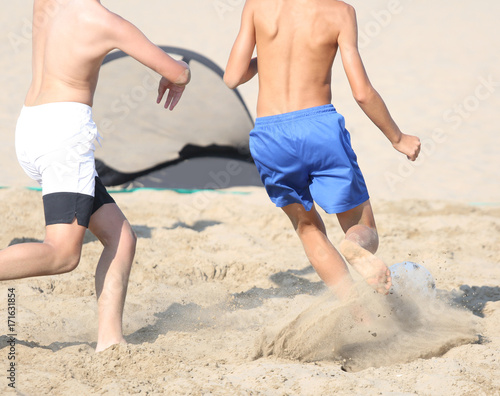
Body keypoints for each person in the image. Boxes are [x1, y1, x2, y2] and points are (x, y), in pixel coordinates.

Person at [0, 0, 190, 352]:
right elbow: (177, 72)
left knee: (122, 238)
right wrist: (181, 72)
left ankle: (111, 341)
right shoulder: (103, 21)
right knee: (62, 254)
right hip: (64, 136)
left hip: (31, 125)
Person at [224, 0, 420, 299]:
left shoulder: (256, 6)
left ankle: (356, 312)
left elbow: (232, 77)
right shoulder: (340, 12)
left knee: (307, 227)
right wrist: (397, 137)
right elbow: (362, 92)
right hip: (319, 127)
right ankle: (355, 247)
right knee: (361, 226)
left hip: (269, 134)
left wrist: (268, 56)